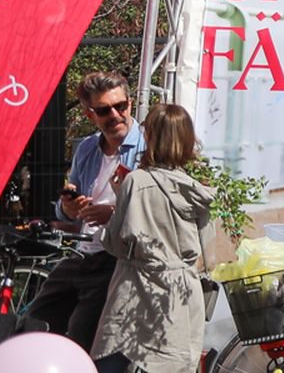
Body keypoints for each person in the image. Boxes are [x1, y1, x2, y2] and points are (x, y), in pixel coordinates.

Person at [88, 105, 212, 373]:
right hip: (181, 293)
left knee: (113, 361)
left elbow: (115, 243)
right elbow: (204, 245)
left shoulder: (137, 182)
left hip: (137, 289)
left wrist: (120, 196)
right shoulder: (197, 191)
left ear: (152, 137)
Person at [25, 71, 143, 348]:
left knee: (82, 336)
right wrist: (68, 208)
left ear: (130, 103)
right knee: (34, 325)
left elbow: (156, 212)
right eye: (104, 110)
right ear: (91, 115)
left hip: (115, 258)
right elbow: (66, 212)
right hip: (80, 252)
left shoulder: (146, 148)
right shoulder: (88, 148)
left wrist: (111, 216)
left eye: (120, 106)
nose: (115, 115)